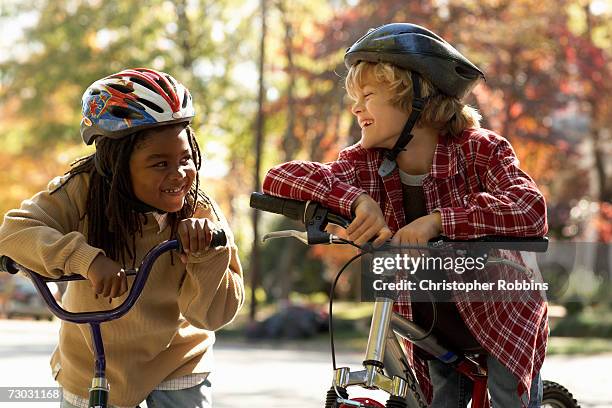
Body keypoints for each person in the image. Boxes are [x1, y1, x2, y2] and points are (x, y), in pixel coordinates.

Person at [263, 24, 547, 407]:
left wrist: (440, 221)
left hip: (501, 316)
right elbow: (278, 178)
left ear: (418, 100)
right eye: (355, 97)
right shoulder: (364, 164)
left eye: (368, 95)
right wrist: (356, 201)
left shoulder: (481, 150)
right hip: (429, 325)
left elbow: (529, 207)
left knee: (508, 398)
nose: (356, 106)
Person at [0, 68, 245, 408]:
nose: (179, 174)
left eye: (186, 159)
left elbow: (213, 316)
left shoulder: (198, 210)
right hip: (89, 359)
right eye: (159, 164)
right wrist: (86, 259)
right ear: (116, 165)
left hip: (174, 359)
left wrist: (205, 254)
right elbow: (14, 232)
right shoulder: (81, 192)